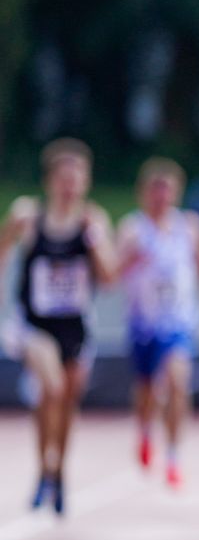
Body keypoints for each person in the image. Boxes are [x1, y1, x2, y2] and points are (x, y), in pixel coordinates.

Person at [2, 140, 117, 514]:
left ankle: (57, 472)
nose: (69, 186)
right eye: (63, 178)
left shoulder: (93, 222)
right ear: (49, 180)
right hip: (34, 324)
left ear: (85, 183)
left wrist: (96, 242)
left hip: (76, 326)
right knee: (50, 387)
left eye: (76, 179)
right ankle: (44, 468)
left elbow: (110, 277)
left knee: (66, 400)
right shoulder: (29, 217)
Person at [117, 158, 199, 488]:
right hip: (144, 322)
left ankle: (175, 455)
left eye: (168, 190)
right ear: (143, 193)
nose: (162, 197)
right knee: (147, 389)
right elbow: (111, 273)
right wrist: (130, 260)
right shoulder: (133, 230)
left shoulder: (189, 226)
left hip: (178, 320)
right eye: (155, 190)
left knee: (177, 382)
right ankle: (146, 430)